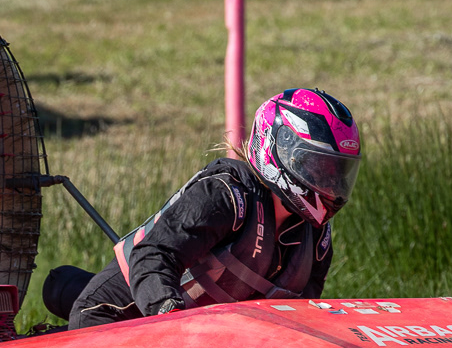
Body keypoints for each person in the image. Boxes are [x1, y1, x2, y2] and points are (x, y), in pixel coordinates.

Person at [51, 88, 360, 329]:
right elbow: (153, 255)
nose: (331, 184)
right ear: (278, 149)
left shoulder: (316, 239)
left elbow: (298, 322)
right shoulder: (226, 195)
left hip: (200, 341)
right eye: (318, 167)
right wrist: (173, 322)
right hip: (110, 318)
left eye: (337, 172)